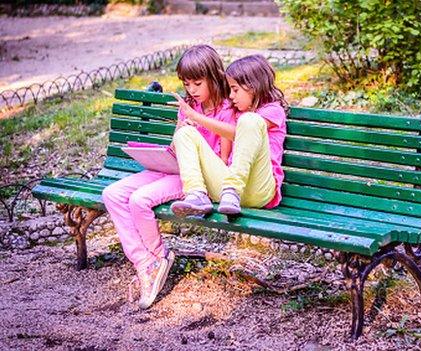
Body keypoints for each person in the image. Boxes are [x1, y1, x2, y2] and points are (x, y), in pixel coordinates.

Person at [101, 45, 234, 309]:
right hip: (170, 168)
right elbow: (176, 146)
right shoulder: (187, 106)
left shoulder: (226, 110)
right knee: (112, 194)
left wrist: (195, 133)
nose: (192, 89)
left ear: (215, 77)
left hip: (197, 177)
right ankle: (146, 262)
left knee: (140, 200)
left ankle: (156, 259)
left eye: (198, 82)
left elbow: (221, 162)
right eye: (187, 83)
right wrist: (179, 134)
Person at [170, 54, 287, 217]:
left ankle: (233, 189)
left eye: (235, 89)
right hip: (225, 195)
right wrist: (183, 124)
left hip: (259, 190)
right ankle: (196, 195)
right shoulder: (236, 112)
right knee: (185, 133)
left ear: (253, 87)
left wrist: (197, 117)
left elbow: (238, 134)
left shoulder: (272, 111)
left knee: (250, 120)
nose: (231, 96)